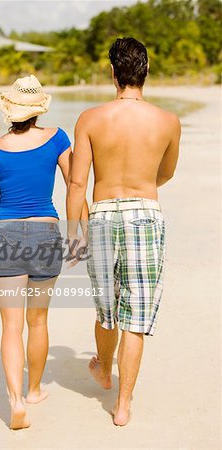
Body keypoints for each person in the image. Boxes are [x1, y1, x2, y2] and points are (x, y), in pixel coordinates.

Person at [67, 37, 181, 426]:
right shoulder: (168, 121)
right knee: (137, 314)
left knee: (106, 307)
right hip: (145, 214)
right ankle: (123, 405)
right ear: (146, 72)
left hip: (100, 216)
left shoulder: (90, 119)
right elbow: (165, 173)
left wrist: (73, 232)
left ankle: (102, 368)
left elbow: (77, 185)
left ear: (112, 73)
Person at [0, 74, 87, 430]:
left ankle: (16, 401)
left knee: (10, 327)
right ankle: (35, 390)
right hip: (47, 233)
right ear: (38, 109)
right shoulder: (57, 139)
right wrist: (82, 233)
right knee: (37, 321)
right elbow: (75, 187)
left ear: (9, 110)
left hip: (6, 235)